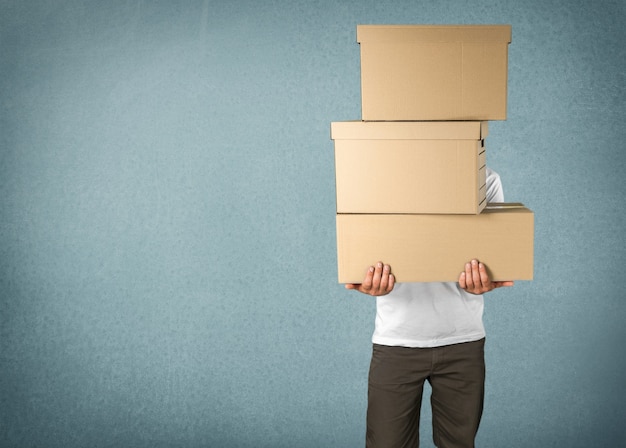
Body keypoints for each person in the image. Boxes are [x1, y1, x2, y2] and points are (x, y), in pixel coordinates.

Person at [346, 168, 514, 448]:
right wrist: (365, 279)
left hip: (462, 341)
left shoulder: (484, 178)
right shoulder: (378, 175)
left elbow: (493, 256)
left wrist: (486, 280)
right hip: (396, 342)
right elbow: (360, 249)